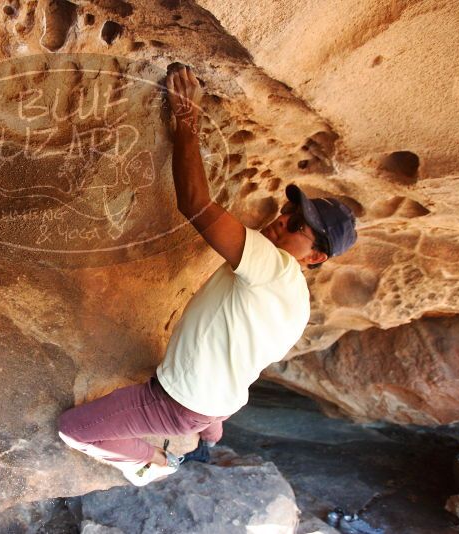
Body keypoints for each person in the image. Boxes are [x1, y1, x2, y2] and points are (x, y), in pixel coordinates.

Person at [57, 64, 358, 486]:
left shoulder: (274, 267)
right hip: (223, 402)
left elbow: (196, 205)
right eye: (288, 211)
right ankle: (209, 439)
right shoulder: (296, 303)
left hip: (178, 404)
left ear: (315, 258)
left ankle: (153, 463)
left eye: (296, 227)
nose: (281, 221)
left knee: (75, 430)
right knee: (212, 417)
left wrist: (186, 121)